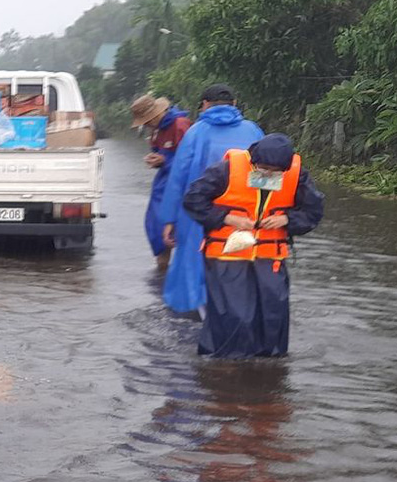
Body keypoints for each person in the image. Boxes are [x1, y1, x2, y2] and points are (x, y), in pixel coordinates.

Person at [182, 134, 325, 357]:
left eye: (275, 171)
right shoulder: (224, 171)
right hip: (227, 254)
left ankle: (269, 364)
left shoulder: (297, 177)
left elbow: (313, 212)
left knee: (273, 311)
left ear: (285, 168)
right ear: (252, 161)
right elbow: (193, 199)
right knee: (235, 313)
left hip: (270, 255)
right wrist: (227, 217)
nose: (267, 174)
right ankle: (226, 362)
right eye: (262, 168)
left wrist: (287, 219)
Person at [154, 84, 264, 316]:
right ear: (234, 104)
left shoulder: (196, 133)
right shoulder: (253, 131)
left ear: (204, 105)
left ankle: (196, 313)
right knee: (242, 263)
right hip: (245, 215)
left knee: (195, 261)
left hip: (200, 215)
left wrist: (169, 220)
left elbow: (178, 179)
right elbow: (267, 173)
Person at [133, 95, 190, 265]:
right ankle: (162, 263)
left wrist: (165, 161)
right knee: (155, 221)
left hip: (181, 181)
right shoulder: (157, 129)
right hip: (164, 179)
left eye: (147, 121)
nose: (146, 125)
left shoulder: (180, 125)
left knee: (176, 222)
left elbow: (188, 159)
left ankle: (171, 265)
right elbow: (159, 149)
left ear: (157, 114)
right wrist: (156, 159)